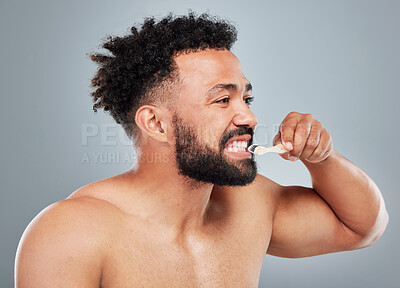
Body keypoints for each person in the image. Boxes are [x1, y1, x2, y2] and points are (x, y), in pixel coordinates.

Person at [15, 12, 388, 287]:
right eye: (223, 99)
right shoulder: (70, 232)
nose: (250, 116)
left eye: (246, 97)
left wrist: (322, 159)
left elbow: (361, 228)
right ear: (156, 124)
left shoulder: (251, 204)